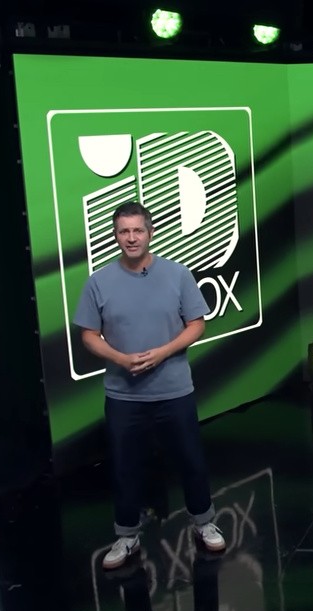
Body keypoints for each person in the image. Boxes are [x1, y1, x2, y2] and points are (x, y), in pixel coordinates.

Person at [74, 201, 226, 571]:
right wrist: (120, 358)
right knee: (125, 467)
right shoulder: (98, 282)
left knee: (191, 460)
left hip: (174, 390)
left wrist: (163, 353)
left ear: (150, 233)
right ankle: (127, 536)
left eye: (137, 230)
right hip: (123, 395)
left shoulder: (178, 274)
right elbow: (88, 335)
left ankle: (204, 523)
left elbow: (197, 323)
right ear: (115, 235)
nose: (131, 238)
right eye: (123, 231)